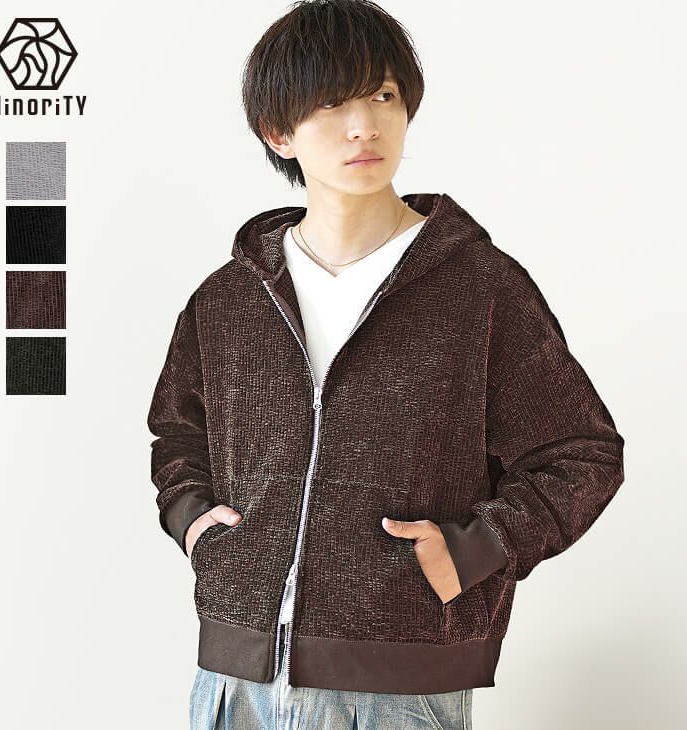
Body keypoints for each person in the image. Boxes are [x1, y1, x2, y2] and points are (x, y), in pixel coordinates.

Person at [146, 1, 625, 728]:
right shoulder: (230, 298)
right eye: (333, 104)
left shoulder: (479, 288)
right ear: (279, 132)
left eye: (383, 96)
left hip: (397, 691)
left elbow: (581, 451)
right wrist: (194, 523)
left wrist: (475, 549)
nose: (364, 125)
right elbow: (179, 434)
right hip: (234, 682)